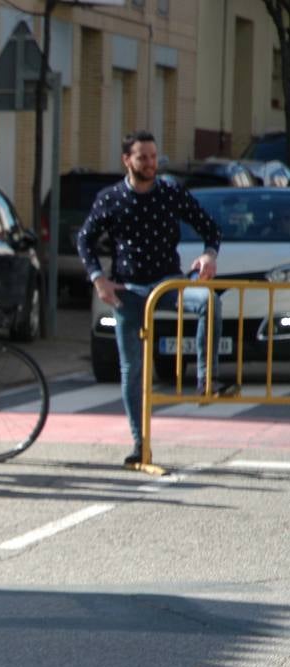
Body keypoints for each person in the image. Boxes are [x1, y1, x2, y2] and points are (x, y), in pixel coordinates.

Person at [77, 130, 225, 466]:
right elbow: (85, 240)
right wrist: (99, 279)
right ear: (126, 160)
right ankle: (139, 443)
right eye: (143, 157)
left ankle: (206, 379)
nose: (150, 164)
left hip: (168, 285)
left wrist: (209, 255)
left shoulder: (170, 192)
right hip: (128, 291)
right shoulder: (111, 198)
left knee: (209, 302)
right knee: (131, 369)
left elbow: (209, 227)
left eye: (154, 157)